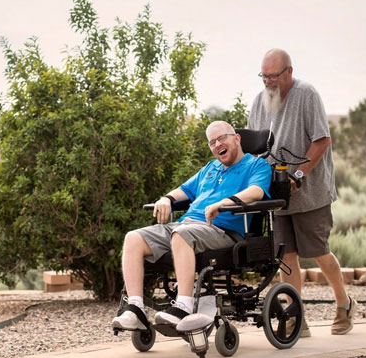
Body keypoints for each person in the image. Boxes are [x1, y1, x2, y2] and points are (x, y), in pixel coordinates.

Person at [111, 120, 272, 331]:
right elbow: (185, 190)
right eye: (212, 142)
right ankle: (135, 309)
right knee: (133, 238)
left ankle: (184, 307)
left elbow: (256, 192)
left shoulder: (256, 165)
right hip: (188, 224)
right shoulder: (210, 168)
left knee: (181, 234)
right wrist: (166, 198)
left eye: (221, 138)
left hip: (222, 230)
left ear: (236, 138)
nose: (217, 145)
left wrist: (225, 202)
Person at [247, 48, 356, 336]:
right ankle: (297, 318)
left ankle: (344, 305)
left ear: (289, 72)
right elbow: (254, 146)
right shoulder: (260, 101)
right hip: (276, 195)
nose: (267, 82)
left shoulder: (307, 95)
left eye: (273, 76)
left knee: (319, 253)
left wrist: (298, 175)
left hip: (310, 193)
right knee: (288, 257)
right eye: (264, 76)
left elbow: (322, 141)